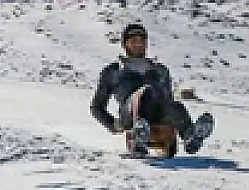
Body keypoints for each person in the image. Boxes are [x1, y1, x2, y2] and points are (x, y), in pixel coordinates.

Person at [90, 23, 214, 156]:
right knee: (145, 92)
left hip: (157, 113)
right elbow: (96, 107)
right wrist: (113, 125)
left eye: (141, 41)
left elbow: (168, 100)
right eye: (133, 41)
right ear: (125, 44)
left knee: (175, 106)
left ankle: (191, 137)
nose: (138, 44)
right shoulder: (113, 71)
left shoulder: (160, 71)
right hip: (129, 114)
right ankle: (139, 135)